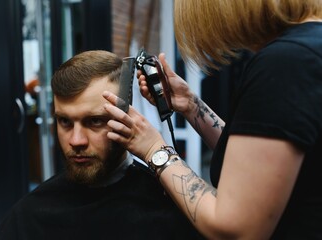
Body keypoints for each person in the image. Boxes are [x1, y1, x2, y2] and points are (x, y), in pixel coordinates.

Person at [102, 1, 322, 239]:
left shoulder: (285, 62)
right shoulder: (310, 47)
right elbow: (259, 161)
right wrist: (190, 104)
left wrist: (155, 149)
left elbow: (235, 230)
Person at [0, 50, 205, 240]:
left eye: (95, 121)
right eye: (65, 121)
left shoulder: (165, 206)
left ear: (124, 117)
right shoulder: (29, 215)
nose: (76, 141)